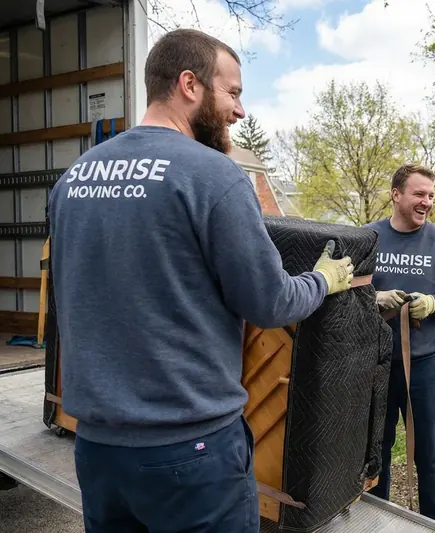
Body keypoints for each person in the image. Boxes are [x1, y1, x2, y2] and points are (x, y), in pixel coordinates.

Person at [48, 29, 353, 533]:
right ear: (189, 84)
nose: (239, 111)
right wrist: (323, 280)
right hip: (190, 455)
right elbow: (271, 302)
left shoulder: (74, 178)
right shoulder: (212, 175)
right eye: (232, 92)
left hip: (98, 450)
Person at [364, 163, 435, 527]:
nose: (426, 202)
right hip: (374, 365)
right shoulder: (368, 237)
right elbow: (344, 291)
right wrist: (373, 298)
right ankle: (373, 522)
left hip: (425, 367)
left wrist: (434, 303)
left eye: (430, 195)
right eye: (419, 194)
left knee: (431, 454)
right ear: (396, 195)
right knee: (373, 452)